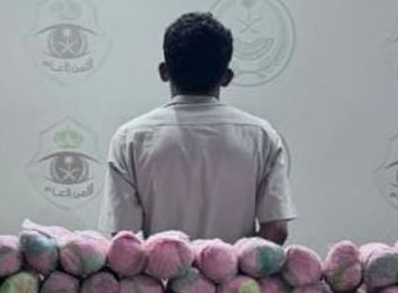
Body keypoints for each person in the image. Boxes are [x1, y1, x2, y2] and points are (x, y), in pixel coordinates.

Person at [98, 12, 296, 244]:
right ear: (227, 77)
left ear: (164, 72)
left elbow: (125, 240)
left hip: (160, 270)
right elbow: (276, 230)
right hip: (238, 269)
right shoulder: (261, 137)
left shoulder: (129, 139)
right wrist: (232, 265)